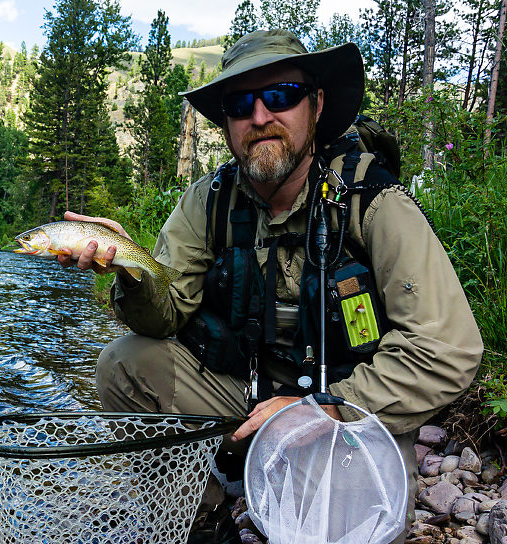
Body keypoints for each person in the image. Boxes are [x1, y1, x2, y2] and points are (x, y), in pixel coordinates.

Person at [58, 29, 483, 544]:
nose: (260, 117)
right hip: (247, 400)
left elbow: (446, 349)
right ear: (227, 122)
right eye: (241, 103)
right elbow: (163, 316)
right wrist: (134, 270)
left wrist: (323, 407)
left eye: (280, 95)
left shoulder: (373, 202)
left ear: (317, 104)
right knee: (123, 364)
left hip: (344, 422)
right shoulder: (209, 201)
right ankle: (201, 516)